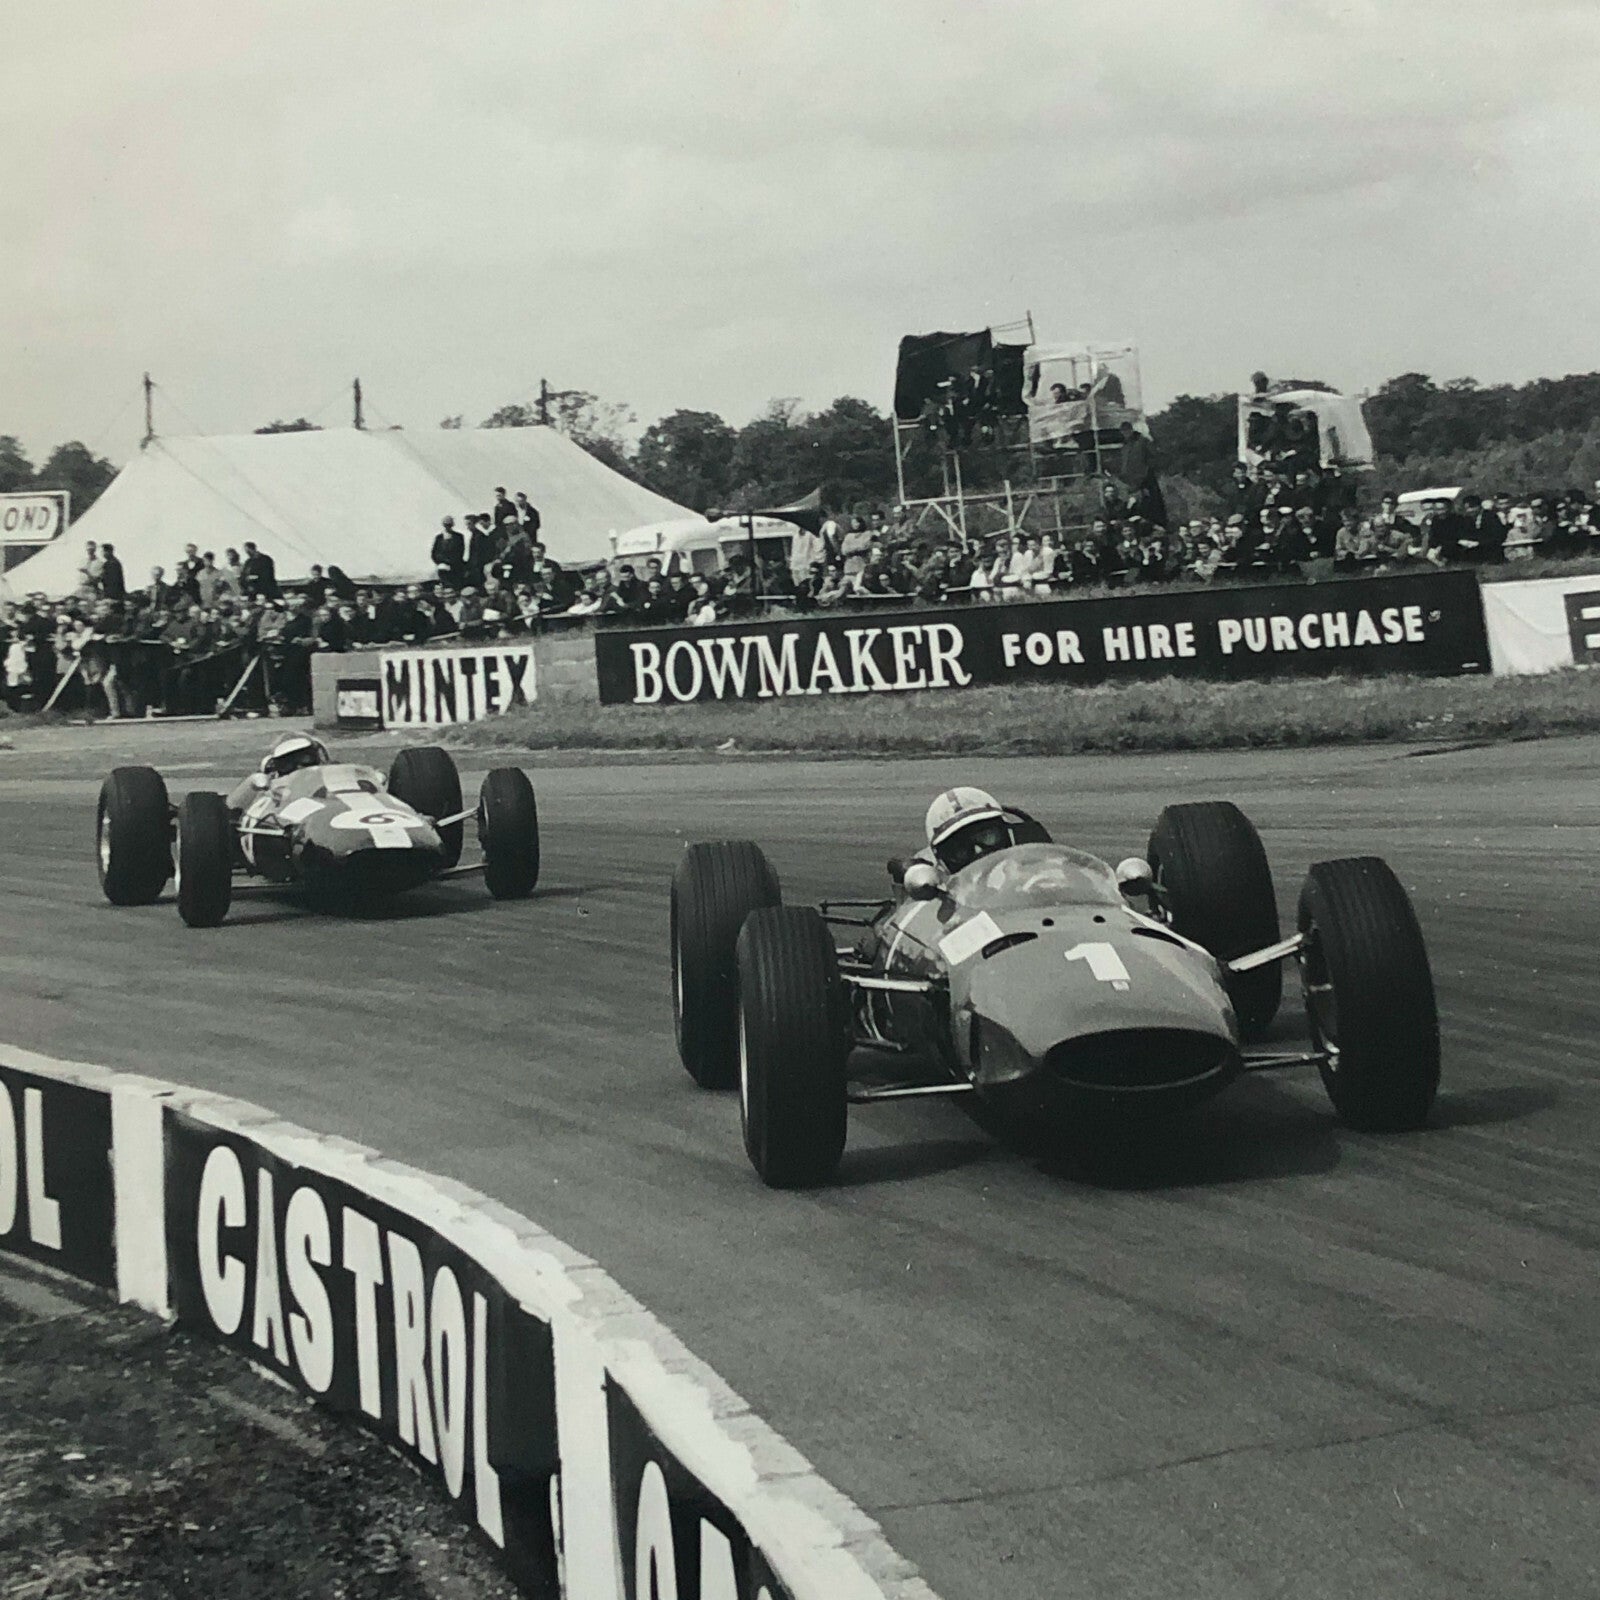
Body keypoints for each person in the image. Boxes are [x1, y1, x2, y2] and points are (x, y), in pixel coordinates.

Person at [913, 787, 1025, 878]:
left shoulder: (1034, 872)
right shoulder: (940, 897)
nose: (978, 850)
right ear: (943, 861)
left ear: (1007, 832)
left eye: (986, 836)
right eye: (960, 848)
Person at [225, 734, 331, 811]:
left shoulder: (331, 777)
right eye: (287, 762)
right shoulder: (271, 784)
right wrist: (255, 782)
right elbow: (232, 806)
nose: (299, 766)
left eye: (306, 758)